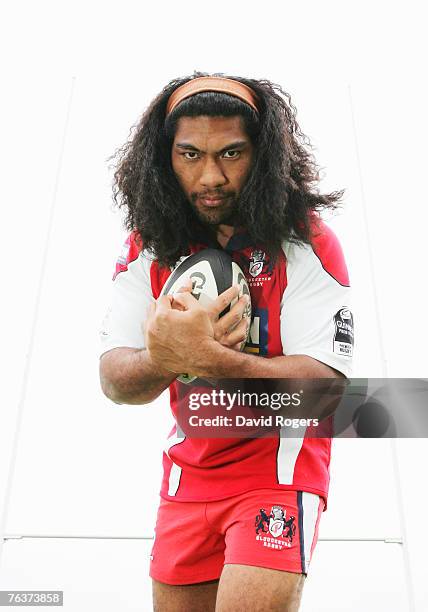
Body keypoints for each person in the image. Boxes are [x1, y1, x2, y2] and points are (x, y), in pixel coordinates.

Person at [99, 73, 354, 612]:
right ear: (162, 158)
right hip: (186, 480)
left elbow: (325, 394)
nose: (210, 175)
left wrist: (206, 359)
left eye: (231, 154)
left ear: (262, 156)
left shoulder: (305, 243)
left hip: (275, 478)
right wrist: (162, 357)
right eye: (189, 155)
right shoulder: (147, 246)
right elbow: (116, 379)